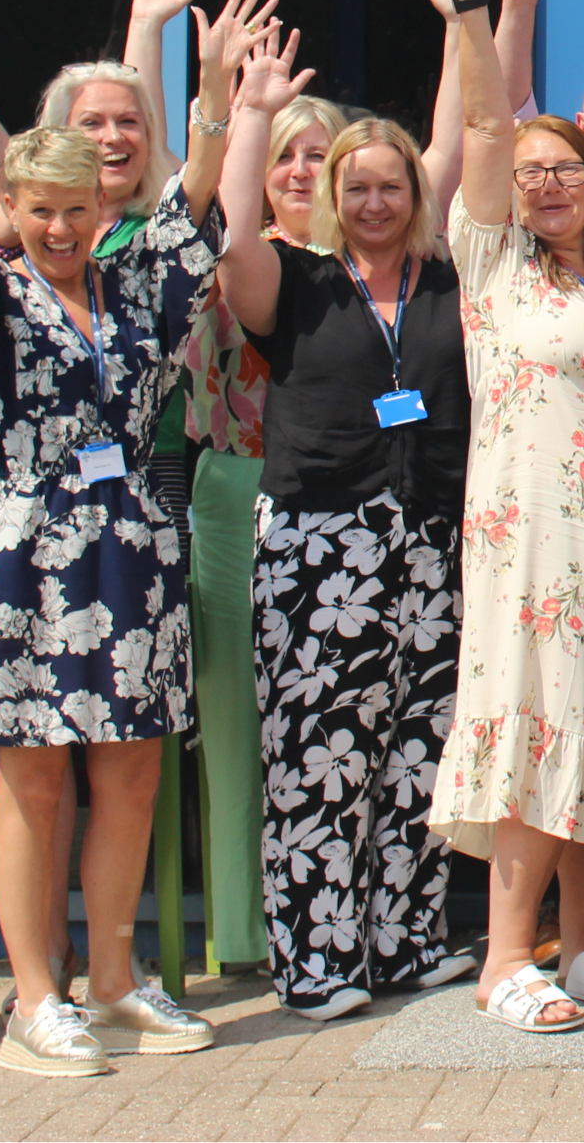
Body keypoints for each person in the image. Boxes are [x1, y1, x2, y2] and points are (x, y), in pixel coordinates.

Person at [0, 0, 238, 1077]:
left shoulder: (136, 286)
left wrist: (217, 94)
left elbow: (193, 208)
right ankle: (35, 998)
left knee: (131, 770)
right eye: (38, 208)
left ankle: (114, 980)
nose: (57, 226)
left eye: (76, 209)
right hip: (26, 549)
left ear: (100, 208)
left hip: (131, 545)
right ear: (12, 207)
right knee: (35, 776)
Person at [422, 0, 584, 1033]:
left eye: (566, 170)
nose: (548, 185)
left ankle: (581, 946)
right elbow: (486, 123)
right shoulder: (496, 265)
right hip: (533, 544)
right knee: (538, 725)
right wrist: (481, 9)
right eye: (531, 173)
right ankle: (503, 959)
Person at [213, 37, 476, 1021]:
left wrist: (467, 20)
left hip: (431, 540)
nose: (374, 202)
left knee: (419, 749)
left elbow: (457, 139)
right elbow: (232, 234)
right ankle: (318, 958)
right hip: (320, 546)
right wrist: (251, 113)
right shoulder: (293, 277)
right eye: (355, 186)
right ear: (332, 193)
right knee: (321, 752)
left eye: (390, 185)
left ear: (415, 192)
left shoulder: (444, 277)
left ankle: (405, 942)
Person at [181, 88, 345, 979]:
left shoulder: (372, 269)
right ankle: (244, 934)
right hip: (234, 488)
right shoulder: (223, 260)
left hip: (343, 498)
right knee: (237, 723)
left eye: (319, 154)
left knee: (332, 717)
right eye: (285, 153)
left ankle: (332, 922)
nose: (300, 170)